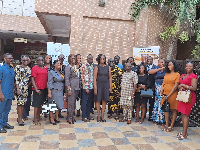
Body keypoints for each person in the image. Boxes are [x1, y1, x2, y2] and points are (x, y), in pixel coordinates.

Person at [177, 62, 198, 140]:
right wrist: (181, 87)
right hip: (183, 96)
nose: (188, 68)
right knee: (183, 114)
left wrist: (184, 86)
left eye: (190, 66)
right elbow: (179, 85)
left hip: (189, 97)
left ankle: (184, 134)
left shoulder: (194, 76)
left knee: (185, 115)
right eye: (187, 66)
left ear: (193, 68)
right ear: (185, 67)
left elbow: (194, 88)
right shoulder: (183, 75)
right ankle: (184, 132)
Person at [161, 60, 180, 132]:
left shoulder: (177, 74)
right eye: (168, 65)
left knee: (173, 109)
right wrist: (161, 93)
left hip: (173, 94)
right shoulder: (166, 74)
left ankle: (171, 126)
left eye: (171, 65)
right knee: (166, 109)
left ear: (174, 66)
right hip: (165, 94)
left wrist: (168, 96)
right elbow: (163, 83)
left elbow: (175, 87)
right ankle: (167, 125)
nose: (169, 66)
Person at [93, 54, 112, 122]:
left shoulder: (108, 67)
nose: (102, 60)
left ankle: (102, 115)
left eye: (103, 58)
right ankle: (98, 115)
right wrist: (95, 88)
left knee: (104, 100)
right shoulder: (96, 67)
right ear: (99, 59)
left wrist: (110, 87)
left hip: (106, 86)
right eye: (101, 58)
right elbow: (94, 78)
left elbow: (110, 78)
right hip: (99, 86)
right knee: (98, 100)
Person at [31, 56, 48, 125]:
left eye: (42, 60)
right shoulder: (34, 68)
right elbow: (32, 79)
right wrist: (36, 89)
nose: (40, 61)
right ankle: (35, 119)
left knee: (41, 103)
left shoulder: (45, 68)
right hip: (37, 89)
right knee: (36, 104)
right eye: (39, 60)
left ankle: (38, 116)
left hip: (44, 88)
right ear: (36, 61)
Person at [15, 55, 31, 126]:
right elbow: (16, 79)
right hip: (20, 88)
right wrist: (18, 89)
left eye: (27, 60)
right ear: (21, 60)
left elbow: (29, 79)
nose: (25, 62)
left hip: (25, 89)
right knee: (19, 104)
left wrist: (27, 87)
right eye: (24, 60)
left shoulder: (28, 69)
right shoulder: (18, 68)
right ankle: (19, 118)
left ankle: (20, 117)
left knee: (23, 104)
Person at [0, 53, 15, 133]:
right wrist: (1, 94)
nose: (11, 59)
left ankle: (5, 123)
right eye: (9, 58)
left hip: (9, 93)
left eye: (12, 58)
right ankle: (0, 126)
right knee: (1, 110)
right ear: (5, 59)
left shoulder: (11, 69)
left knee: (7, 110)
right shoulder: (1, 69)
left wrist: (12, 93)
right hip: (3, 93)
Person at [149, 59, 166, 125]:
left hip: (164, 87)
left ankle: (162, 120)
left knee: (163, 102)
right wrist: (159, 69)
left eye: (162, 62)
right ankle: (156, 119)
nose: (160, 63)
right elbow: (150, 72)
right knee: (157, 102)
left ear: (164, 63)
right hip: (157, 87)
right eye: (159, 62)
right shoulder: (155, 68)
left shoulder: (166, 69)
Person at [48, 59, 65, 125]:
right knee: (52, 105)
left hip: (60, 90)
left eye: (60, 64)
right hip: (54, 90)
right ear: (54, 64)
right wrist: (49, 92)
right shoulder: (51, 72)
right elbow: (49, 82)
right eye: (57, 63)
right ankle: (51, 118)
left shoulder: (61, 72)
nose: (59, 65)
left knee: (58, 104)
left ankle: (56, 117)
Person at [65, 54, 80, 124]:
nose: (74, 59)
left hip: (76, 87)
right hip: (71, 88)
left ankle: (72, 116)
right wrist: (69, 89)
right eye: (72, 58)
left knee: (73, 103)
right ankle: (69, 117)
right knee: (70, 103)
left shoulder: (75, 67)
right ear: (69, 60)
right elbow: (67, 79)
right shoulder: (68, 67)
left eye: (74, 58)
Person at [81, 54, 94, 122]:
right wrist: (85, 87)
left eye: (92, 59)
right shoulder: (84, 66)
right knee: (84, 102)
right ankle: (84, 116)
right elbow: (82, 77)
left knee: (89, 102)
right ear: (87, 59)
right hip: (86, 87)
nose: (91, 60)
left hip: (91, 87)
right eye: (90, 59)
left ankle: (88, 115)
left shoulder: (92, 66)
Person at [22, 56, 33, 120]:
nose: (27, 61)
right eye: (25, 60)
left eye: (28, 59)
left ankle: (26, 114)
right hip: (22, 87)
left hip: (29, 86)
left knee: (28, 101)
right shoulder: (20, 67)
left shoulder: (31, 67)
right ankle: (22, 115)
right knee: (22, 101)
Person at [146, 56, 156, 121]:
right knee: (144, 102)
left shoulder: (155, 67)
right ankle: (143, 116)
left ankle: (150, 116)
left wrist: (153, 86)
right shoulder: (143, 66)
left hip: (152, 87)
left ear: (152, 60)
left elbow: (156, 78)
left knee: (151, 103)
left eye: (150, 59)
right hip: (145, 87)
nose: (149, 60)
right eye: (148, 59)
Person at [58, 54, 65, 118]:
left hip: (62, 85)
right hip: (56, 86)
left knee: (61, 99)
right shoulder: (55, 66)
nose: (61, 59)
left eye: (62, 58)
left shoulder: (64, 66)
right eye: (60, 58)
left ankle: (59, 113)